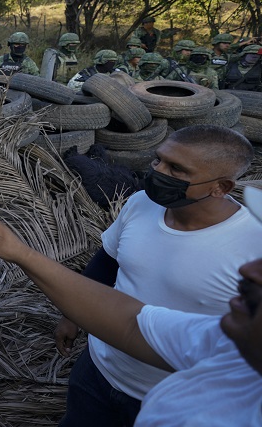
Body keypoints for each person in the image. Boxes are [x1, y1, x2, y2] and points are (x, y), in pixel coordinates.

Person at [0, 186, 262, 427]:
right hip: (100, 372)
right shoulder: (229, 343)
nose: (249, 271)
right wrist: (20, 253)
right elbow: (131, 324)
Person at [51, 125, 262, 426]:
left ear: (221, 187)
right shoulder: (141, 203)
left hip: (169, 393)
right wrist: (72, 315)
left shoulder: (253, 247)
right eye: (158, 160)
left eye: (177, 169)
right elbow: (109, 259)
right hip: (99, 370)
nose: (159, 172)